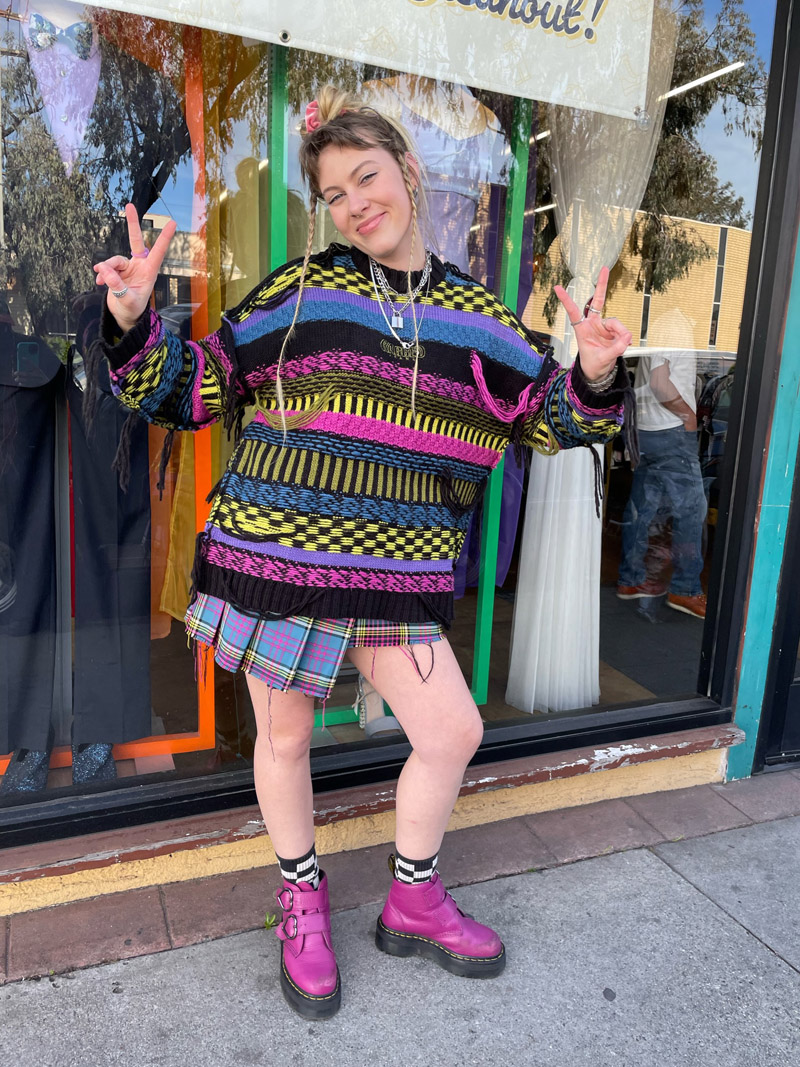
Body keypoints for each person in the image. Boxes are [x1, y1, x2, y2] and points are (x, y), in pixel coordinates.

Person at [93, 86, 633, 1020]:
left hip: (396, 572)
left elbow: (550, 417)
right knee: (288, 735)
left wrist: (591, 370)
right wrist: (138, 320)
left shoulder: (476, 318)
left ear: (411, 173)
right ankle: (301, 897)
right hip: (277, 559)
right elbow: (191, 388)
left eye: (367, 177)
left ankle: (410, 896)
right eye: (335, 192)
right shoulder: (299, 294)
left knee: (453, 729)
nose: (354, 203)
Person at [616, 350, 708, 619]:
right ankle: (686, 589)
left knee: (641, 508)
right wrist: (688, 415)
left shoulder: (663, 320)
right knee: (692, 510)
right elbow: (659, 381)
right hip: (670, 429)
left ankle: (631, 579)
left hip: (647, 428)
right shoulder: (675, 325)